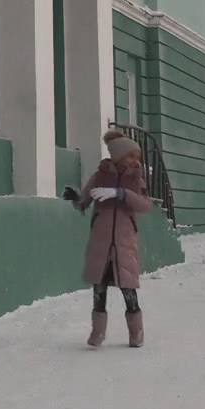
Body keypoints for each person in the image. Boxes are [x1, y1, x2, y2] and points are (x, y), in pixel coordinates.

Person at [69, 130, 155, 347]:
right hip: (101, 240)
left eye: (137, 156)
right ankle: (97, 332)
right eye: (130, 156)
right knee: (99, 287)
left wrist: (121, 193)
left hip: (124, 241)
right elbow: (85, 200)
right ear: (118, 156)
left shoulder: (136, 178)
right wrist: (76, 198)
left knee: (128, 288)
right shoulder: (100, 175)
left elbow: (145, 205)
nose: (135, 161)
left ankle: (136, 333)